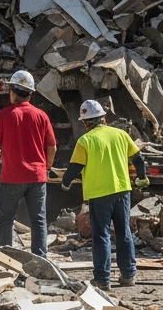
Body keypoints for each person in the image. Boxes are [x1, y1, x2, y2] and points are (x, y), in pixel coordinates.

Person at [61, 99, 148, 290]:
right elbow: (138, 158)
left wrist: (65, 182)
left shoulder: (85, 141)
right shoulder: (120, 134)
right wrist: (142, 177)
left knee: (101, 236)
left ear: (85, 123)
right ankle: (129, 275)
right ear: (103, 118)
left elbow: (75, 167)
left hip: (100, 194)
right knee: (124, 232)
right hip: (122, 190)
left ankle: (102, 279)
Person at [0, 70, 56, 257]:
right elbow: (52, 147)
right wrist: (46, 167)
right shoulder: (42, 116)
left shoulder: (2, 116)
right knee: (39, 221)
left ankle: (7, 259)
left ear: (11, 92)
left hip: (12, 178)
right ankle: (41, 260)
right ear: (31, 94)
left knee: (6, 220)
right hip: (37, 177)